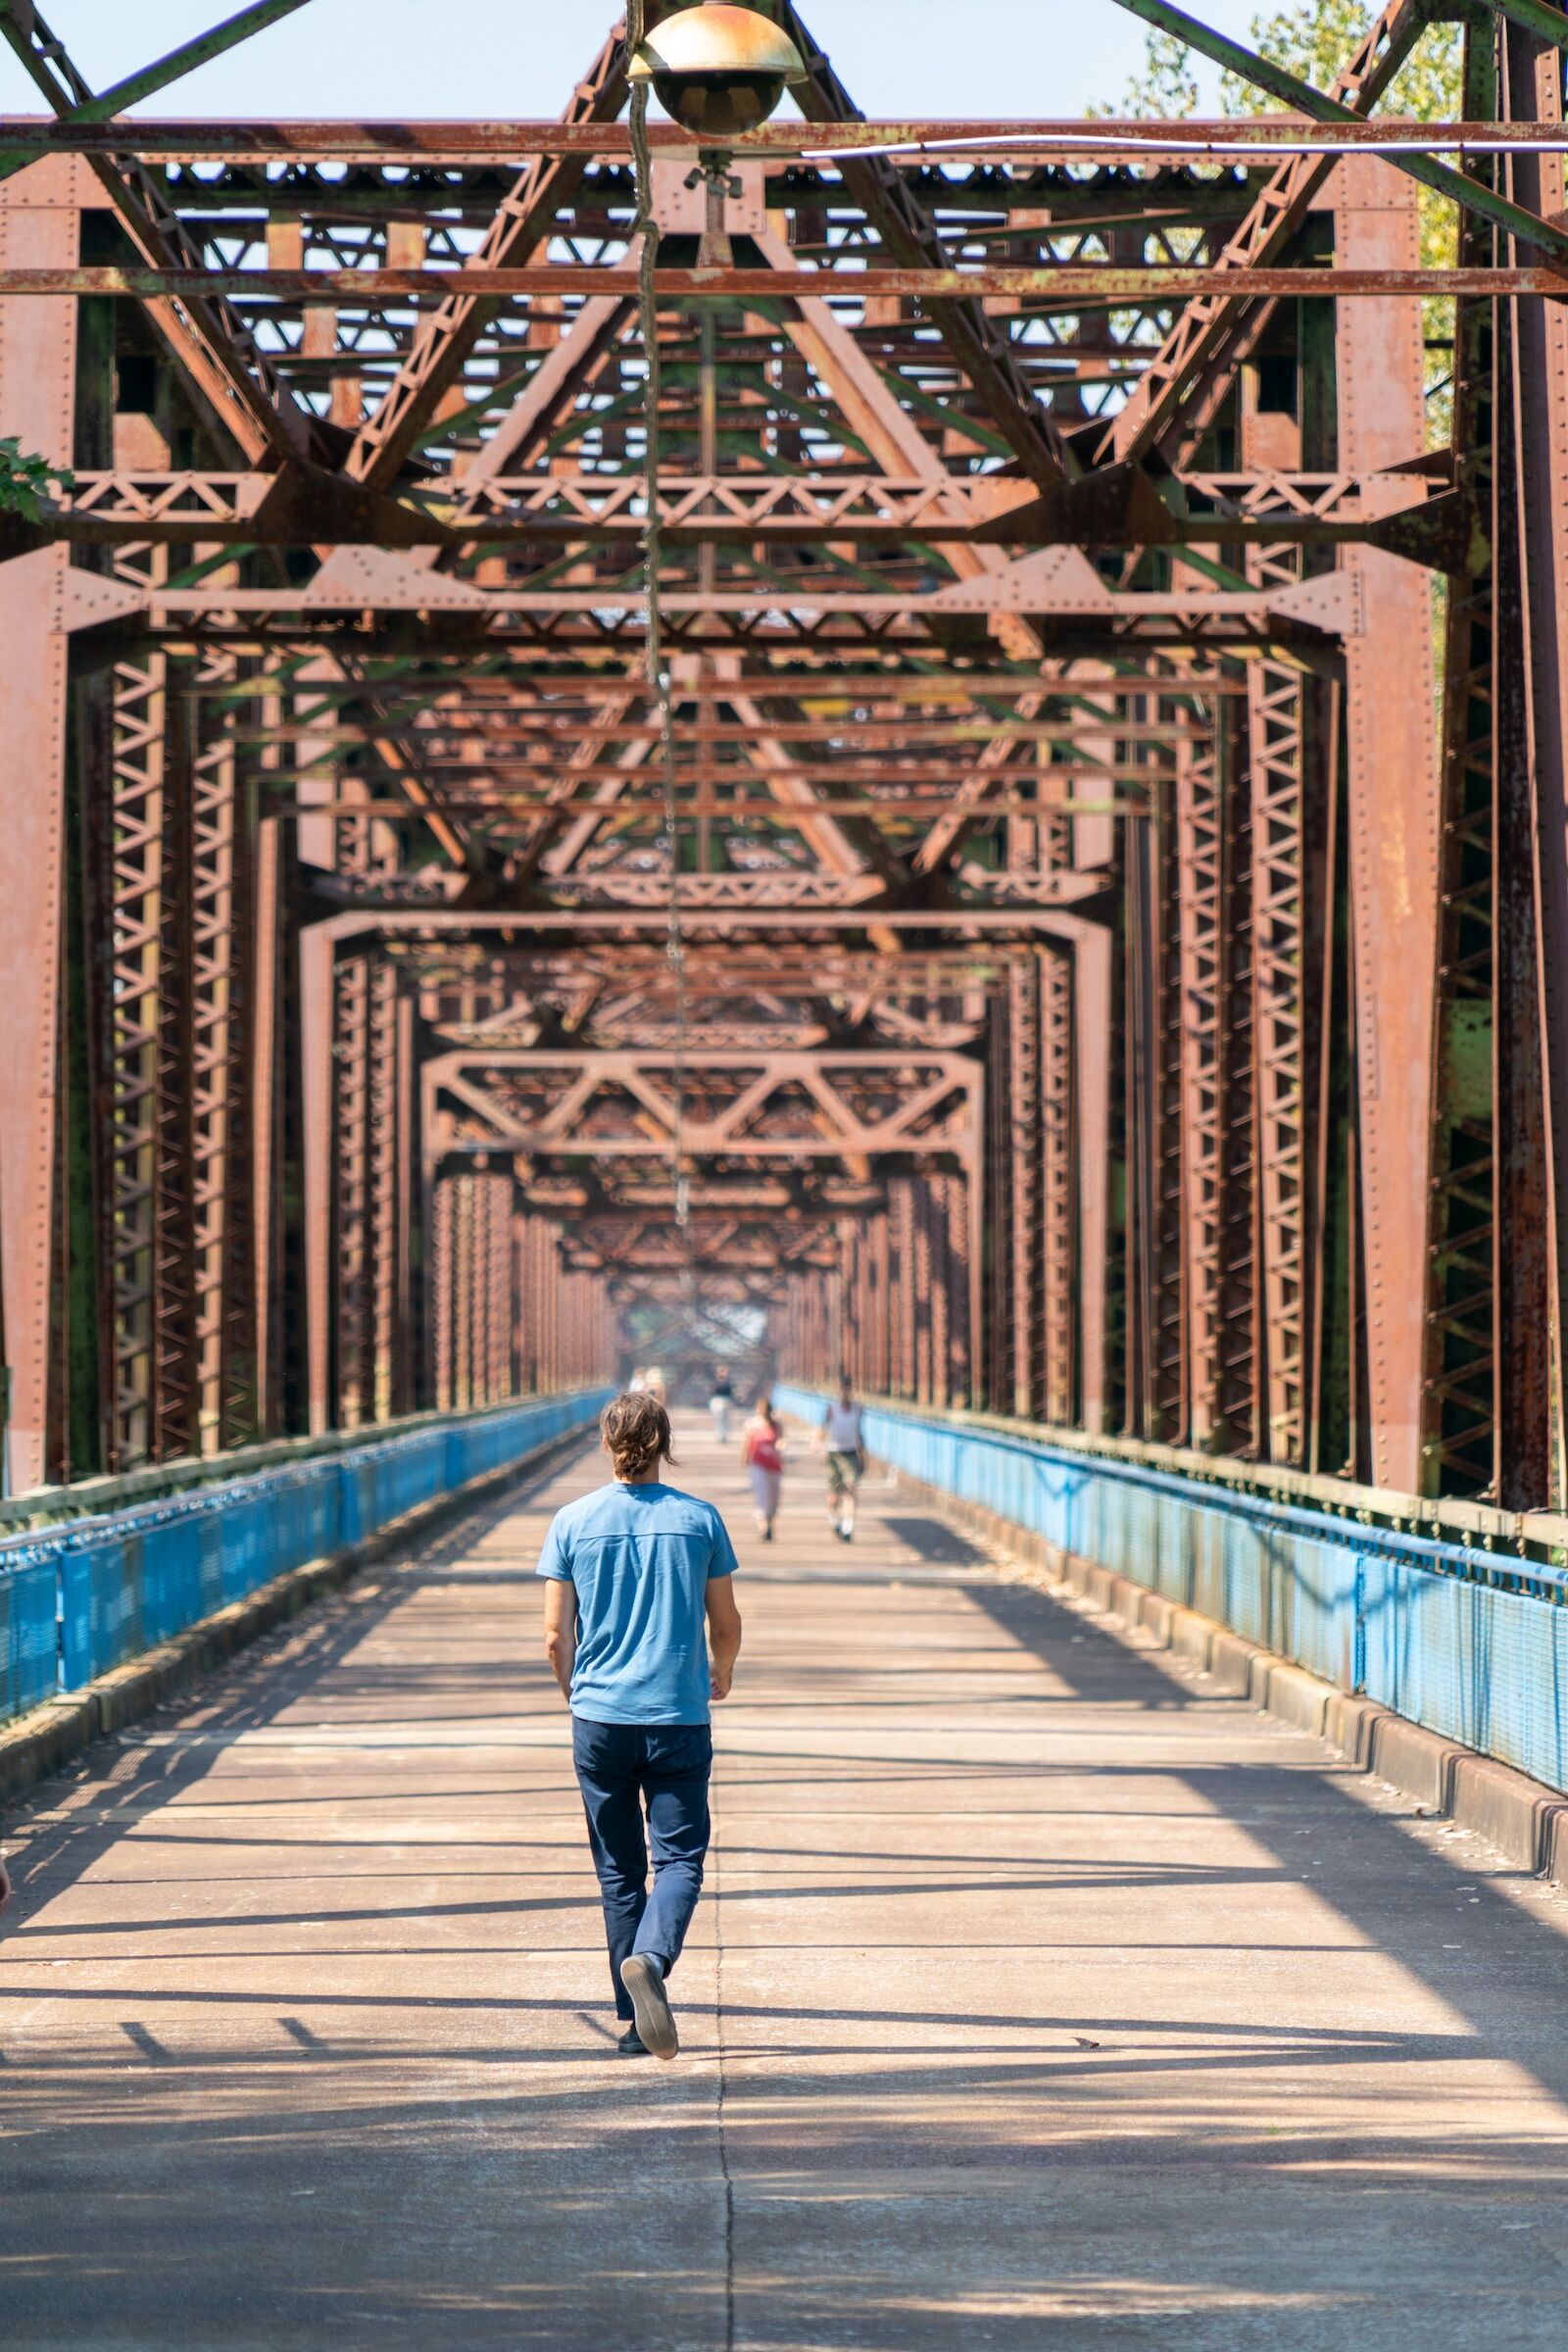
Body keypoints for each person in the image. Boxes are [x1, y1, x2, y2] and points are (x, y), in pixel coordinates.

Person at [538, 1391, 742, 2061]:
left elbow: (551, 1634)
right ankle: (652, 1958)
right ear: (665, 1444)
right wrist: (723, 1669)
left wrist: (577, 1692)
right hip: (678, 1713)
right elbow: (727, 1622)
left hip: (599, 1717)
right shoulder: (700, 1520)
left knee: (618, 1872)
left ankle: (632, 2022)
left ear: (607, 1442)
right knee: (679, 1859)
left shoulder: (572, 1521)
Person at [819, 1378, 865, 1542]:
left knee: (850, 1490)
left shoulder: (858, 1409)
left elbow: (859, 1432)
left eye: (848, 1389)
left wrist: (863, 1456)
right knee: (833, 1496)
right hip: (834, 1454)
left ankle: (848, 1526)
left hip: (851, 1453)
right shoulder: (832, 1408)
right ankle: (833, 1520)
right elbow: (823, 1428)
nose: (846, 1392)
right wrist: (818, 1446)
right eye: (843, 1389)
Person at [740, 1396, 786, 1541]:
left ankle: (770, 1523)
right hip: (757, 1465)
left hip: (774, 1465)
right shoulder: (752, 1424)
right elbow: (746, 1442)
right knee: (762, 1497)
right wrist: (744, 1457)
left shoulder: (777, 1425)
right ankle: (763, 1527)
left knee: (774, 1500)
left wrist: (781, 1447)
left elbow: (782, 1439)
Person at [708, 1361, 734, 1444]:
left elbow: (730, 1393)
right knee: (719, 1419)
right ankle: (719, 1435)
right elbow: (712, 1393)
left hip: (726, 1401)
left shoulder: (728, 1383)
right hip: (717, 1401)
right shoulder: (715, 1382)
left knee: (725, 1420)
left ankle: (724, 1435)